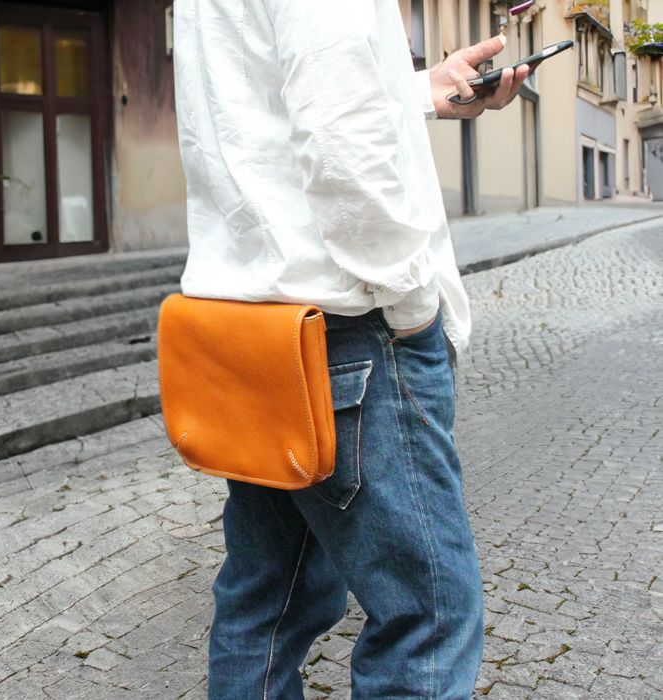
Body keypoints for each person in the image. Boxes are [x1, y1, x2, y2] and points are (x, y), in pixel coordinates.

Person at [172, 1, 529, 697]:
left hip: (254, 331)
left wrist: (415, 91)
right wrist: (411, 305)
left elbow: (260, 107)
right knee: (426, 616)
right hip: (348, 327)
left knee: (265, 600)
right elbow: (342, 147)